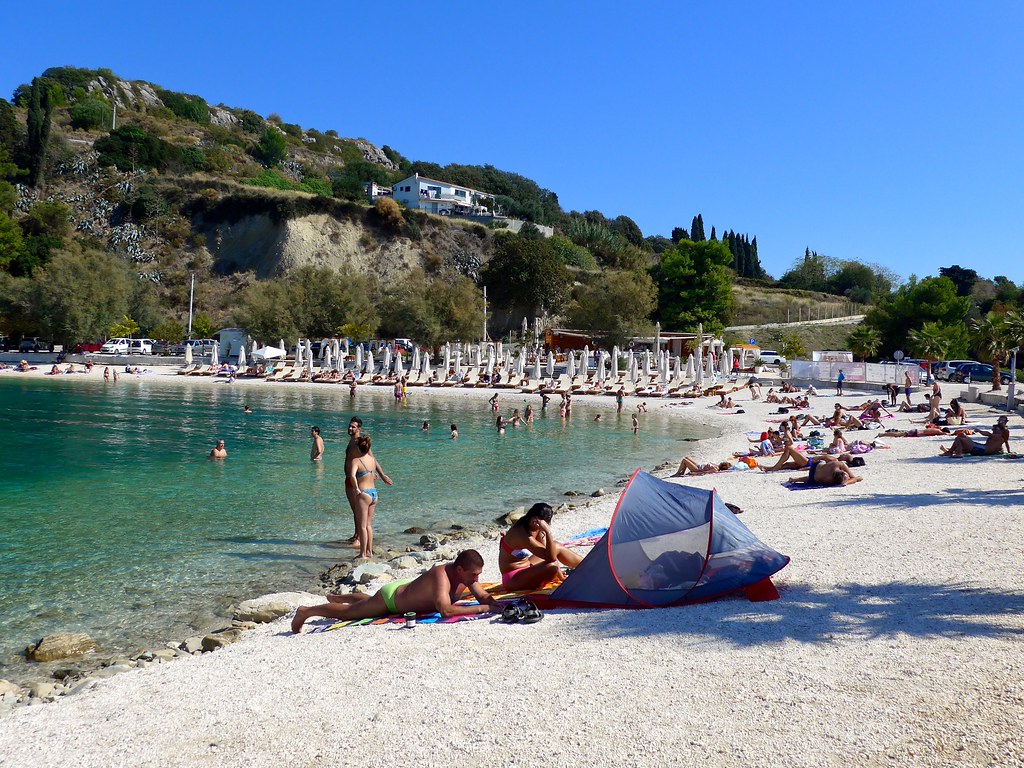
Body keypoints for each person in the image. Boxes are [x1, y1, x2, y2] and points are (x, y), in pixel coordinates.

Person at [291, 549, 499, 632]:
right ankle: (306, 612)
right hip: (390, 599)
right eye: (474, 575)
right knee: (347, 613)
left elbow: (483, 595)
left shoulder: (466, 575)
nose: (477, 579)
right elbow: (445, 611)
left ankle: (341, 596)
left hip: (402, 591)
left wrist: (496, 605)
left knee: (367, 603)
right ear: (460, 569)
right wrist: (483, 609)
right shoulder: (441, 576)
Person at [498, 504, 583, 591]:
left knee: (556, 546)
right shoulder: (522, 533)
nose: (535, 523)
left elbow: (549, 551)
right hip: (513, 578)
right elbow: (551, 558)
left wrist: (560, 575)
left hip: (527, 567)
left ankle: (589, 565)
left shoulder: (535, 527)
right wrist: (548, 531)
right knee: (552, 567)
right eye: (534, 520)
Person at [348, 433, 393, 559]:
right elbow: (374, 473)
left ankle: (362, 554)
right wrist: (383, 476)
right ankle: (370, 552)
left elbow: (352, 475)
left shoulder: (356, 461)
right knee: (368, 525)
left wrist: (356, 488)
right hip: (374, 493)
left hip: (364, 494)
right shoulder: (372, 460)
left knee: (362, 526)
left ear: (358, 448)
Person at [940, 416, 1011, 457]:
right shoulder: (998, 432)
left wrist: (979, 431)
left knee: (960, 437)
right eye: (998, 421)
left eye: (1001, 422)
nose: (998, 424)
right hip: (983, 448)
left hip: (983, 450)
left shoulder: (1002, 433)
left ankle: (957, 453)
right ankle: (952, 451)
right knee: (960, 437)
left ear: (1005, 423)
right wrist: (1008, 451)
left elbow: (989, 434)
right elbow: (1005, 443)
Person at [787, 458, 863, 487]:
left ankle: (795, 479)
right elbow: (855, 478)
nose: (849, 477)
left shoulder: (838, 464)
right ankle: (796, 479)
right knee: (814, 477)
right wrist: (847, 482)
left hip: (816, 466)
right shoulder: (829, 480)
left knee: (824, 461)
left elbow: (855, 478)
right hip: (814, 476)